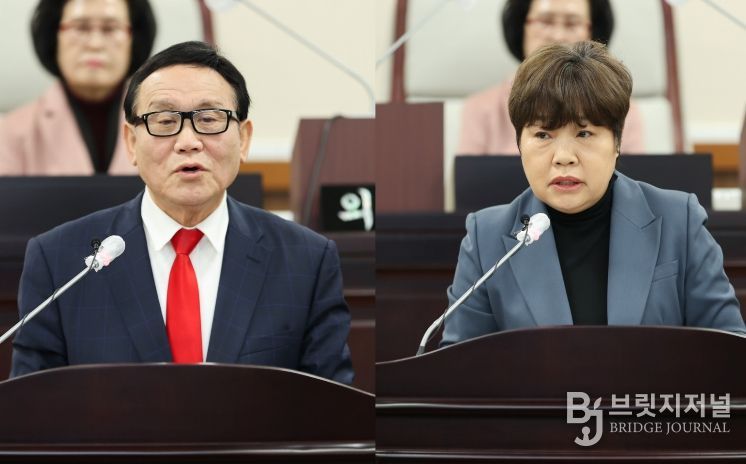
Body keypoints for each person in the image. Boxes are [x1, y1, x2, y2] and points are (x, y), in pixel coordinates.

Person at [10, 41, 354, 384]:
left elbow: (333, 407)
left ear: (244, 139)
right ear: (131, 142)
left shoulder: (306, 260)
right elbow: (32, 408)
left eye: (209, 119)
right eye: (164, 121)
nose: (188, 141)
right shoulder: (60, 261)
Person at [442, 41, 745, 346]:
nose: (563, 157)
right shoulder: (486, 239)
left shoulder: (680, 221)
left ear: (617, 142)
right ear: (519, 144)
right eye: (543, 135)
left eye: (584, 133)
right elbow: (458, 366)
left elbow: (729, 352)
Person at [457, 0, 644, 155]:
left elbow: (632, 180)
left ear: (593, 32)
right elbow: (469, 184)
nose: (558, 36)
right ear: (521, 26)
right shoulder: (481, 109)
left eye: (572, 24)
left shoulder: (621, 108)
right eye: (545, 21)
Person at [0, 0, 156, 175]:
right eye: (80, 28)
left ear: (134, 38)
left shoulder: (166, 123)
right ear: (54, 36)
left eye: (110, 28)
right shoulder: (10, 133)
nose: (95, 44)